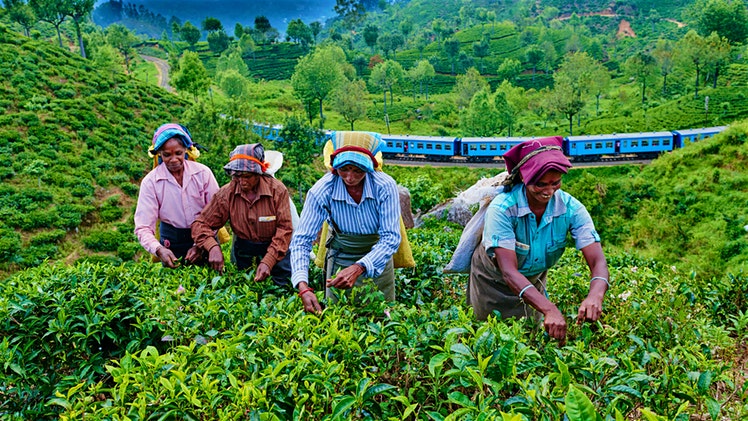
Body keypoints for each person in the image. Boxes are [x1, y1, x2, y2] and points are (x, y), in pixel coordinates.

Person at [468, 136, 610, 344]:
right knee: (490, 339)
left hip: (533, 282)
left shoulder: (572, 209)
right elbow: (509, 271)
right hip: (492, 283)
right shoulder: (503, 209)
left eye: (556, 183)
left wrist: (595, 295)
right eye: (540, 184)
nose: (549, 191)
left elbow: (598, 261)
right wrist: (549, 308)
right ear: (525, 179)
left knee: (528, 339)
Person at [290, 131, 402, 313]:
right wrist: (303, 287)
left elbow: (390, 238)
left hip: (377, 259)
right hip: (341, 257)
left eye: (358, 170)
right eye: (344, 170)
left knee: (381, 318)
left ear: (369, 168)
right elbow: (301, 241)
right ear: (335, 168)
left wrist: (359, 267)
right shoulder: (322, 190)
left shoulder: (384, 186)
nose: (350, 177)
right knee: (340, 316)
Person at [191, 143, 293, 285]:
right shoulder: (227, 193)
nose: (242, 181)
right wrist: (212, 246)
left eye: (247, 176)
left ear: (258, 172)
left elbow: (285, 229)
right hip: (243, 251)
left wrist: (269, 260)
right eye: (237, 176)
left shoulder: (277, 190)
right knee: (244, 289)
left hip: (277, 251)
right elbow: (201, 224)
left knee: (281, 289)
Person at [134, 123, 219, 268]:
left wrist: (200, 245)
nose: (173, 159)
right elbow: (143, 227)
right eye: (167, 155)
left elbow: (216, 213)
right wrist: (159, 250)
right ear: (160, 153)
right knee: (175, 287)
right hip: (171, 242)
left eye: (178, 153)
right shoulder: (151, 182)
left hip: (206, 238)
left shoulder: (202, 174)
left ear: (186, 150)